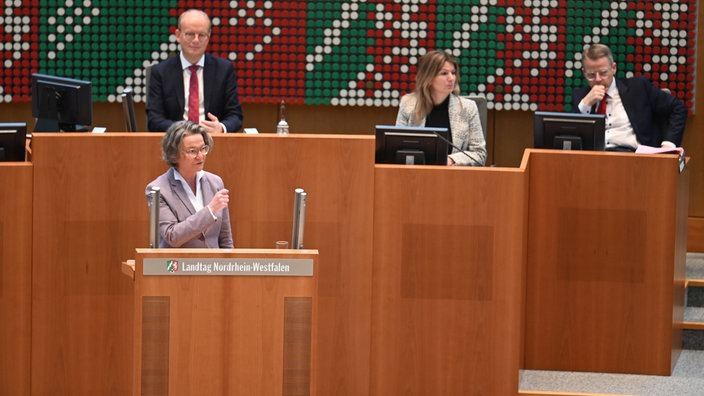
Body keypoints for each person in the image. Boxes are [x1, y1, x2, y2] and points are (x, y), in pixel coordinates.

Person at [572, 43, 687, 151]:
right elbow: (569, 135)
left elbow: (678, 108)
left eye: (603, 73)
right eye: (591, 75)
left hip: (632, 156)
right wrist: (585, 104)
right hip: (594, 159)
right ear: (584, 72)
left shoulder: (638, 88)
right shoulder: (581, 97)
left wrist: (668, 144)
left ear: (613, 68)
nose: (597, 79)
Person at [147, 9, 243, 133]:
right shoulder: (161, 72)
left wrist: (221, 128)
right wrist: (185, 131)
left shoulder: (224, 69)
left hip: (213, 142)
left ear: (208, 37)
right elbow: (154, 120)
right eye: (190, 34)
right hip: (175, 143)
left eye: (201, 35)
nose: (196, 40)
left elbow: (235, 116)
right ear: (178, 35)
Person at [146, 120, 234, 248]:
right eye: (192, 151)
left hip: (213, 266)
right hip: (177, 265)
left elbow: (225, 240)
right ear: (174, 155)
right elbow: (172, 236)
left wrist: (229, 266)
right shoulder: (158, 189)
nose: (200, 156)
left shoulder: (215, 182)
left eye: (203, 149)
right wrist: (210, 210)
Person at [395, 50, 487, 166]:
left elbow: (479, 154)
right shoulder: (408, 105)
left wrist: (451, 160)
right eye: (444, 73)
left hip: (455, 177)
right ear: (428, 78)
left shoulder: (468, 108)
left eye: (453, 73)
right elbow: (397, 151)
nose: (451, 78)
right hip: (417, 176)